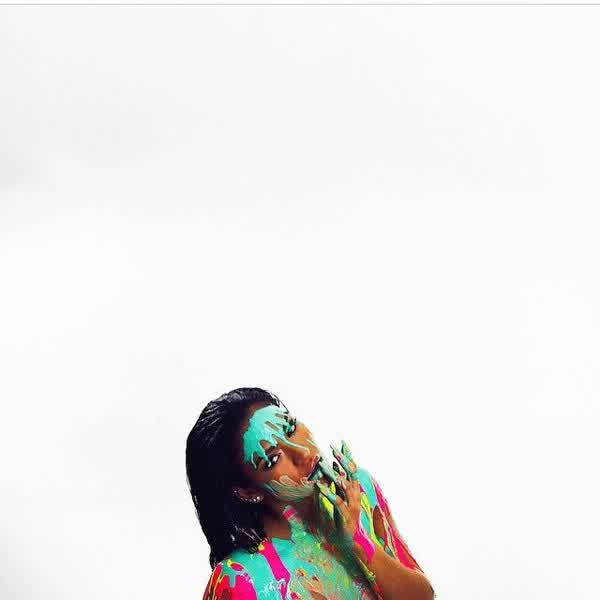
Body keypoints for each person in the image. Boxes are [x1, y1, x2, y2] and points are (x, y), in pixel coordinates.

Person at [186, 387, 435, 600]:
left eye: (291, 428)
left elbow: (424, 596)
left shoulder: (358, 492)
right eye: (273, 459)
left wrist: (360, 542)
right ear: (247, 491)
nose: (303, 453)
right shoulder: (242, 579)